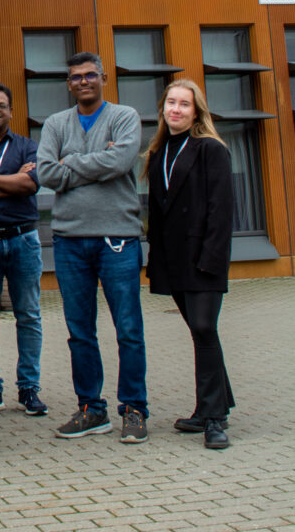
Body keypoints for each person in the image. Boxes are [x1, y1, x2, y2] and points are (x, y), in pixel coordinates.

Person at [36, 52, 147, 444]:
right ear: (68, 84)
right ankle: (91, 409)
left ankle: (134, 409)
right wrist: (93, 163)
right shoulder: (55, 123)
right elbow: (46, 172)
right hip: (69, 241)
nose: (83, 82)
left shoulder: (124, 117)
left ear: (103, 77)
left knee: (128, 329)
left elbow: (121, 161)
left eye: (90, 75)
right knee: (79, 331)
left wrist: (73, 163)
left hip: (117, 237)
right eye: (75, 77)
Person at [145, 79, 234, 450]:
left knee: (203, 327)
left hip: (203, 260)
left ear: (196, 110)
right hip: (173, 259)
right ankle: (212, 405)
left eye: (184, 104)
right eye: (170, 103)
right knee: (200, 332)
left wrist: (211, 260)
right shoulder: (159, 149)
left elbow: (221, 209)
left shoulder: (211, 149)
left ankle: (214, 420)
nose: (176, 109)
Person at [0, 83, 46, 418]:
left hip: (23, 239)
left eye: (1, 105)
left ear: (11, 111)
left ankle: (29, 388)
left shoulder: (29, 146)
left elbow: (31, 184)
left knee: (28, 314)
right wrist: (8, 181)